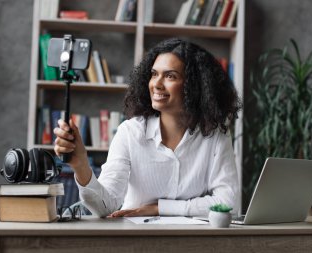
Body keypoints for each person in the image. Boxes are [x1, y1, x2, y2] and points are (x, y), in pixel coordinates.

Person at [53, 38, 241, 218]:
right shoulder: (130, 133)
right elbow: (105, 206)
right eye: (154, 74)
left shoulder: (214, 136)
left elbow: (229, 203)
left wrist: (161, 208)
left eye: (170, 76)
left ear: (194, 86)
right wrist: (81, 166)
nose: (156, 84)